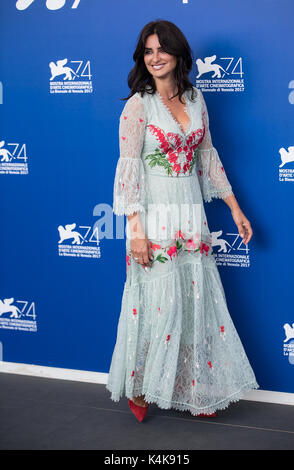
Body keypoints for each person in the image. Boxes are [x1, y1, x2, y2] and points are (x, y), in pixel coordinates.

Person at [106, 19, 259, 422]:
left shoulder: (196, 99)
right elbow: (129, 171)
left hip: (190, 209)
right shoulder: (139, 105)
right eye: (148, 51)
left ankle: (192, 390)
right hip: (154, 213)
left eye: (162, 50)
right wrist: (135, 233)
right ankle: (140, 386)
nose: (154, 58)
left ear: (178, 55)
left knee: (191, 301)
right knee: (155, 302)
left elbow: (207, 158)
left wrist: (234, 208)